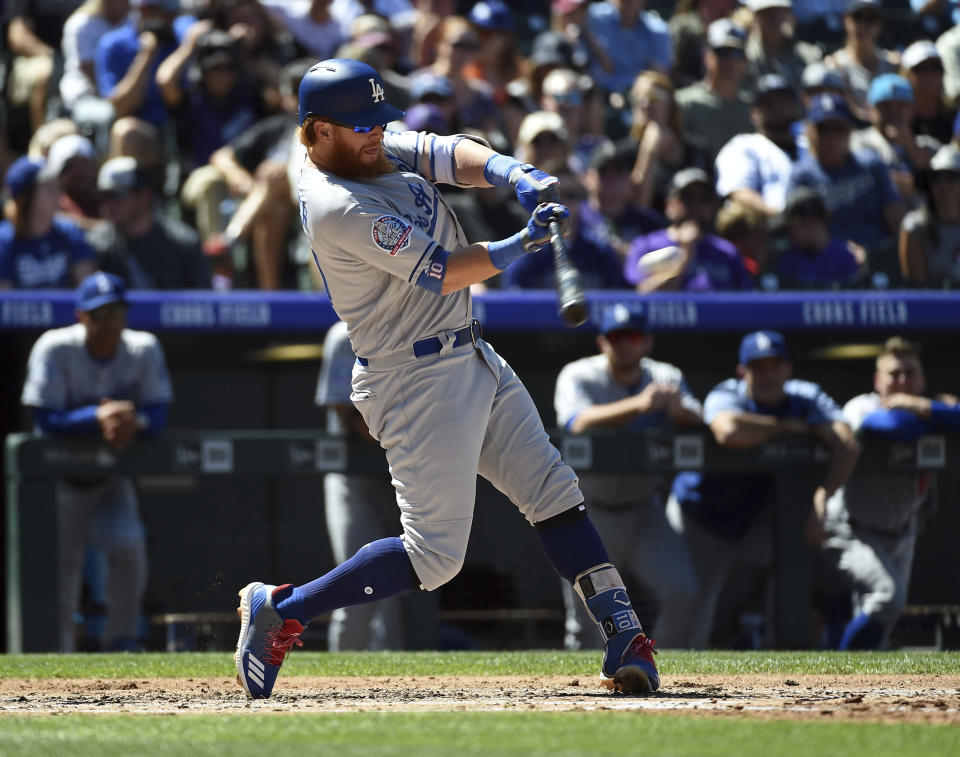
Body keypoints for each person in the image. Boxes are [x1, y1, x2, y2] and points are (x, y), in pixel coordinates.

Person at [234, 58, 660, 699]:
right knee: (434, 557)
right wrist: (523, 244)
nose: (376, 133)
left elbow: (444, 152)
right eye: (358, 126)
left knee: (553, 491)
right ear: (318, 131)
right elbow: (441, 268)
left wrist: (511, 171)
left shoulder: (366, 148)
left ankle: (623, 632)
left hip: (470, 354)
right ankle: (283, 609)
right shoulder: (335, 202)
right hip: (413, 379)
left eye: (377, 121)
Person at [664, 331, 860, 648]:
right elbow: (728, 432)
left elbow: (847, 444)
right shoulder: (729, 393)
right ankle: (663, 675)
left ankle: (779, 656)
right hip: (701, 517)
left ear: (788, 368)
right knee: (689, 604)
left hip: (752, 520)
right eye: (758, 367)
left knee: (793, 555)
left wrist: (824, 494)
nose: (768, 375)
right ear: (742, 371)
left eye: (775, 365)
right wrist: (786, 427)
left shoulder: (805, 396)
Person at [21, 272, 173, 651]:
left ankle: (121, 639)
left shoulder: (142, 347)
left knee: (128, 547)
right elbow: (44, 420)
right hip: (60, 481)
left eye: (116, 312)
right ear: (81, 316)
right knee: (61, 575)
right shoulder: (54, 347)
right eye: (100, 314)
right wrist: (97, 417)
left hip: (110, 479)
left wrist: (130, 421)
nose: (109, 323)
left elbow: (158, 415)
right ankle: (56, 655)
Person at [553, 303, 702, 649]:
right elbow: (576, 423)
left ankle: (661, 671)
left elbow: (702, 420)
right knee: (586, 622)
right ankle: (587, 694)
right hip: (590, 513)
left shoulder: (666, 376)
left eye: (632, 336)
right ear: (602, 342)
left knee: (683, 592)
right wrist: (640, 405)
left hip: (645, 511)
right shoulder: (579, 374)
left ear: (646, 342)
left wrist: (677, 409)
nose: (625, 344)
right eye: (617, 337)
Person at [818, 337, 960, 649]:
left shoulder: (922, 407)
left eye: (910, 373)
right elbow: (888, 427)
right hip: (850, 528)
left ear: (922, 380)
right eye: (894, 374)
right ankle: (835, 677)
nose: (903, 381)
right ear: (877, 380)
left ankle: (853, 691)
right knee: (887, 598)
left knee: (884, 618)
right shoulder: (861, 405)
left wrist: (919, 406)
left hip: (901, 531)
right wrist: (938, 415)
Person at [316, 320, 405, 650]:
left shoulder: (418, 326)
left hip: (405, 476)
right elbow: (353, 418)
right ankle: (341, 684)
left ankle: (393, 689)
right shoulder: (345, 334)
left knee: (399, 591)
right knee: (356, 586)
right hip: (354, 476)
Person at [788, 92, 905, 268]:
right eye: (823, 129)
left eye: (838, 129)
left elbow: (895, 217)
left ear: (849, 131)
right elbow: (798, 232)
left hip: (880, 257)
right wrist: (841, 251)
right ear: (810, 132)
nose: (831, 137)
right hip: (827, 262)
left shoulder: (871, 164)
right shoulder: (801, 175)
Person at [87, 156, 211, 289]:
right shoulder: (95, 244)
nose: (109, 204)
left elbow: (201, 301)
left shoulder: (183, 242)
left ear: (144, 195)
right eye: (104, 196)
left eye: (118, 195)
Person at [623, 168, 754, 292]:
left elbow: (746, 302)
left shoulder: (727, 253)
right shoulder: (646, 245)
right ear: (669, 205)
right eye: (687, 197)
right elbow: (642, 295)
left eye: (704, 199)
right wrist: (685, 255)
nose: (696, 205)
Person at [0, 156, 97, 290]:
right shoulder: (3, 241)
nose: (59, 193)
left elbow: (87, 291)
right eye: (49, 187)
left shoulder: (70, 232)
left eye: (57, 186)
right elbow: (6, 304)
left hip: (66, 312)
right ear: (27, 197)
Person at [714, 73, 801, 217]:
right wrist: (782, 221)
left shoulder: (810, 143)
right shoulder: (743, 146)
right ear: (754, 113)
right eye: (769, 104)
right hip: (771, 231)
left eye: (783, 101)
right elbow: (738, 193)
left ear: (795, 108)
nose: (777, 108)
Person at [676, 18, 754, 169]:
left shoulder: (752, 109)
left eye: (736, 54)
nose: (729, 61)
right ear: (707, 56)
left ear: (745, 60)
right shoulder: (684, 103)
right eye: (722, 52)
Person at [852, 73, 937, 209]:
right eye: (884, 106)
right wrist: (922, 185)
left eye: (901, 105)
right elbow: (871, 183)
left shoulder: (927, 144)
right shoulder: (858, 143)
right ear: (870, 109)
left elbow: (943, 182)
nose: (893, 112)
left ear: (912, 109)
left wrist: (909, 143)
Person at [823, 0, 897, 123]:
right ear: (845, 20)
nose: (863, 25)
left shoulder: (892, 62)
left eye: (871, 19)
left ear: (879, 24)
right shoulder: (835, 64)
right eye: (858, 18)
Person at [777, 186, 864, 288]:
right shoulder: (790, 257)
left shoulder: (843, 256)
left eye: (792, 227)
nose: (789, 234)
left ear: (809, 222)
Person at [899, 143, 960, 287]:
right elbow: (919, 288)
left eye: (951, 178)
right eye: (937, 178)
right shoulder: (915, 227)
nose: (944, 186)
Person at [585, 0, 673, 94]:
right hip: (598, 95)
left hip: (640, 97)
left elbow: (661, 76)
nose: (629, 2)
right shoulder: (592, 18)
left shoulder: (658, 31)